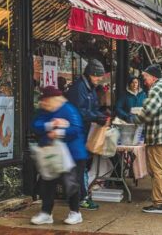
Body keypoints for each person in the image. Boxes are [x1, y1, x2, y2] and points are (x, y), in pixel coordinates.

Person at [30, 86, 87, 225]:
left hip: (72, 155)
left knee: (71, 184)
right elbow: (35, 125)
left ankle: (75, 212)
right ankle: (46, 213)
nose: (44, 104)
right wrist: (51, 125)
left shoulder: (69, 109)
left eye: (46, 101)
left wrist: (59, 133)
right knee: (47, 183)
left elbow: (76, 129)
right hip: (51, 153)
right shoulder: (45, 110)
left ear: (53, 99)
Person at [129, 64, 162, 214]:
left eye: (145, 77)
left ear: (153, 77)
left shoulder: (156, 90)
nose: (144, 80)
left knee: (157, 171)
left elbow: (148, 112)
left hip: (159, 138)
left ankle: (158, 203)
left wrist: (134, 120)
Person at [66, 59, 108, 210]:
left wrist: (101, 114)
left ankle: (78, 197)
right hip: (75, 135)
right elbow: (78, 112)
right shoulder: (79, 88)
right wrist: (96, 116)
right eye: (98, 76)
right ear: (90, 74)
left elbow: (92, 107)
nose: (99, 79)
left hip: (84, 133)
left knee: (80, 167)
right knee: (79, 167)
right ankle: (80, 198)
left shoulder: (89, 88)